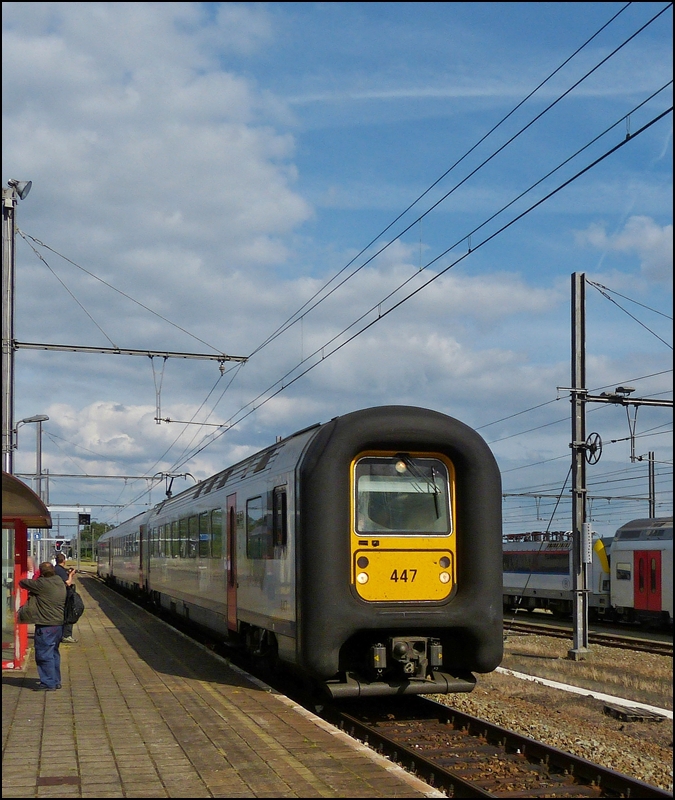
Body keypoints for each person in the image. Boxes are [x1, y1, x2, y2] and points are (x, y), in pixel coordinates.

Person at [19, 562, 73, 691]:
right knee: (53, 653)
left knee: (44, 654)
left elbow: (23, 582)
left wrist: (32, 573)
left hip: (46, 625)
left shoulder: (42, 584)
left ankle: (48, 683)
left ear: (41, 572)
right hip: (58, 624)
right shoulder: (59, 581)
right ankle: (55, 680)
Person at [55, 553, 78, 643]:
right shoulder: (60, 570)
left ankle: (62, 634)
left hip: (58, 594)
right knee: (69, 613)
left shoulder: (56, 569)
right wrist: (71, 575)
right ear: (64, 561)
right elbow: (68, 583)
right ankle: (66, 635)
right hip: (63, 595)